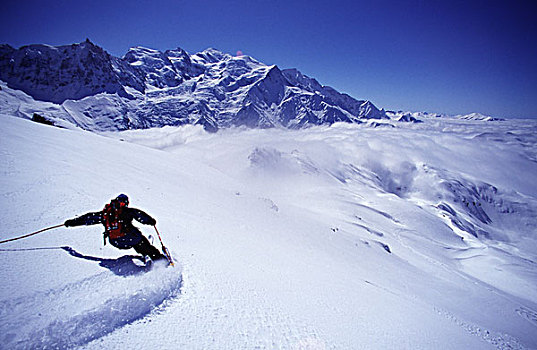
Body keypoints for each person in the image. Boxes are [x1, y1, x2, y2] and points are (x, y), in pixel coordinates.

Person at [64, 194, 166, 262]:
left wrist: (71, 223)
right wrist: (151, 221)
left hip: (115, 242)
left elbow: (89, 218)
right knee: (139, 240)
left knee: (134, 241)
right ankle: (159, 259)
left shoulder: (105, 214)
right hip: (129, 238)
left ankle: (145, 254)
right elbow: (140, 215)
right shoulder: (126, 211)